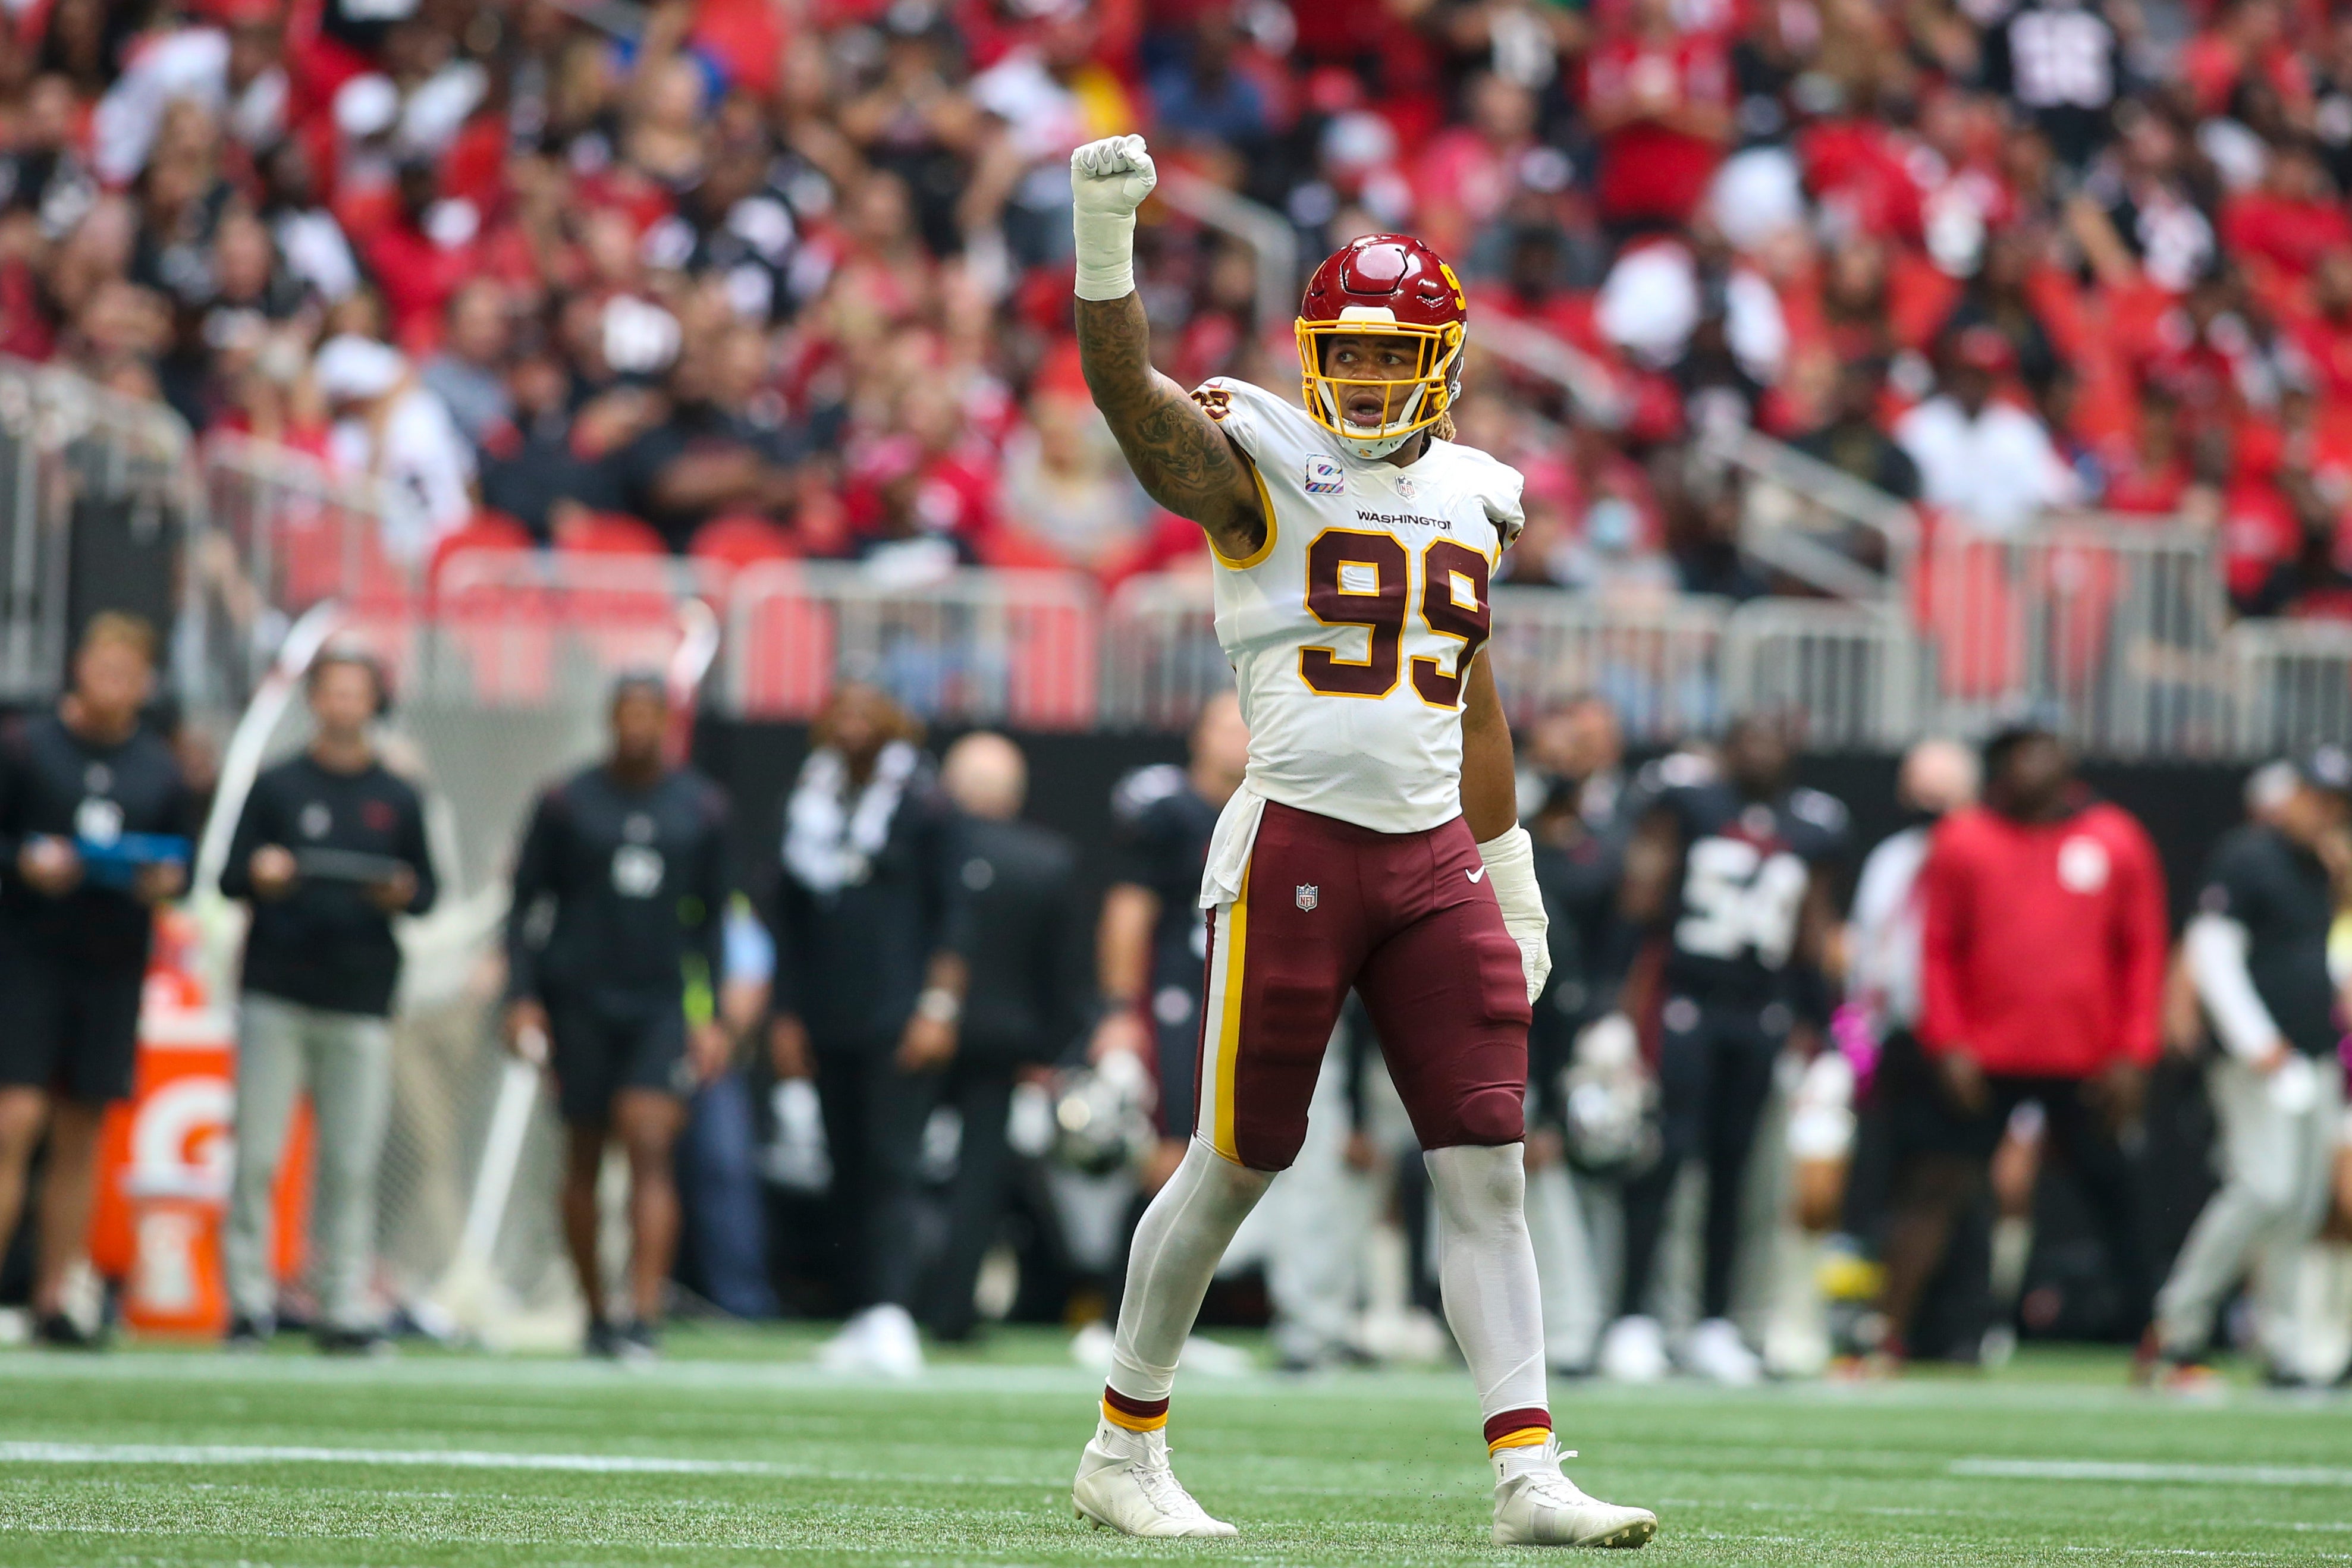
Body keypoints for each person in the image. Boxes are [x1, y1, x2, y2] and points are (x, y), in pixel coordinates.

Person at [1065, 134, 1656, 1547]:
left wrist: (1508, 876)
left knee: (1486, 1158)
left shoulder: (1477, 494)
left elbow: (1478, 694)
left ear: (1445, 363)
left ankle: (1527, 1467)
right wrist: (1107, 244)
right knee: (1236, 1158)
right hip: (1298, 848)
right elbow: (1129, 401)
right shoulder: (1261, 453)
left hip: (1433, 854)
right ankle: (1122, 1439)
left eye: (1396, 358)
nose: (1372, 379)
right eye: (1350, 353)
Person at [1889, 725, 2168, 1359]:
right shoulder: (1963, 840)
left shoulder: (2115, 838)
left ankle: (2156, 1344)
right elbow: (1936, 948)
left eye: (2047, 749)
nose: (2038, 763)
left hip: (2087, 1057)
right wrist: (1949, 1041)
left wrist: (2133, 1049)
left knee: (2119, 1199)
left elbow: (2143, 949)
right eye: (2022, 752)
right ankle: (1887, 1335)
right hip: (1985, 1056)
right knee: (1935, 1189)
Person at [1603, 714, 1848, 1386]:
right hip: (1686, 1003)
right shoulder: (1688, 801)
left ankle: (1713, 1323)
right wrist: (1617, 1006)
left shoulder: (1813, 825)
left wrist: (1824, 1028)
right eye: (1749, 737)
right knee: (1662, 1160)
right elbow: (1642, 896)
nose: (1762, 749)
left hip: (1760, 1013)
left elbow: (1810, 930)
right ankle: (1634, 1319)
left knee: (1734, 1174)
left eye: (1773, 737)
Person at [505, 674, 731, 1360]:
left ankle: (645, 1310)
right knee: (583, 1152)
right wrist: (520, 997)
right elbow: (523, 908)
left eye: (648, 714)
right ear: (609, 719)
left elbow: (713, 920)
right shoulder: (568, 801)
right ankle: (596, 1311)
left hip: (659, 1000)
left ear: (666, 721)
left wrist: (711, 1012)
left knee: (649, 1139)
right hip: (579, 997)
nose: (636, 726)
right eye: (624, 713)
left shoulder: (701, 807)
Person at [218, 647, 436, 1352]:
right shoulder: (279, 784)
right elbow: (226, 877)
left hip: (360, 994)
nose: (345, 706)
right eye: (333, 692)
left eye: (357, 693)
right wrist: (264, 874)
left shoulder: (398, 795)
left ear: (374, 703)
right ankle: (249, 1300)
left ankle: (342, 1299)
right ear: (315, 698)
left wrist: (398, 892)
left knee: (349, 1159)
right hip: (278, 988)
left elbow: (427, 891)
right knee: (259, 1153)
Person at [0, 613, 197, 1347]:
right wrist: (26, 861)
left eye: (130, 673)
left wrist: (159, 882)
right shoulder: (26, 747)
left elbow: (183, 865)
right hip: (26, 954)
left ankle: (57, 1297)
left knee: (84, 1128)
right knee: (15, 1119)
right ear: (80, 668)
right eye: (103, 667)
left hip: (110, 961)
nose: (115, 684)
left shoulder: (160, 766)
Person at [769, 682, 968, 1380]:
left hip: (897, 1011)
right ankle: (860, 1310)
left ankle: (892, 1310)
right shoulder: (807, 802)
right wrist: (786, 1013)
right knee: (843, 1165)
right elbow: (788, 923)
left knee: (891, 1162)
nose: (851, 724)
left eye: (864, 711)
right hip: (828, 1011)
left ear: (891, 722)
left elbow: (953, 915)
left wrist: (937, 1007)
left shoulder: (922, 802)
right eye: (840, 711)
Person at [2152, 747, 2351, 1386]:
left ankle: (2285, 1347)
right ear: (2289, 796)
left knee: (2300, 1204)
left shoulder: (2319, 866)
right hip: (2262, 1059)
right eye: (2317, 799)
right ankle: (2177, 1323)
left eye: (2337, 804)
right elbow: (2212, 954)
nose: (2326, 814)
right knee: (2261, 1188)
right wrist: (2257, 1043)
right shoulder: (2247, 856)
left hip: (2313, 1057)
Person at [922, 731, 1084, 1343]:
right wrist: (1051, 1050)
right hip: (1003, 1040)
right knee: (978, 1181)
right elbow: (1060, 971)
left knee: (890, 1169)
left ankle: (876, 1298)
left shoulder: (921, 851)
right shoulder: (1046, 859)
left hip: (914, 1032)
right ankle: (952, 1311)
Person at [1088, 691, 1249, 1195]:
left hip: (1241, 1000)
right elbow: (1127, 912)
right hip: (1175, 993)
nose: (1237, 736)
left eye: (1248, 724)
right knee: (1169, 1156)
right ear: (1198, 735)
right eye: (1225, 725)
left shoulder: (1269, 817)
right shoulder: (1169, 814)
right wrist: (1119, 1007)